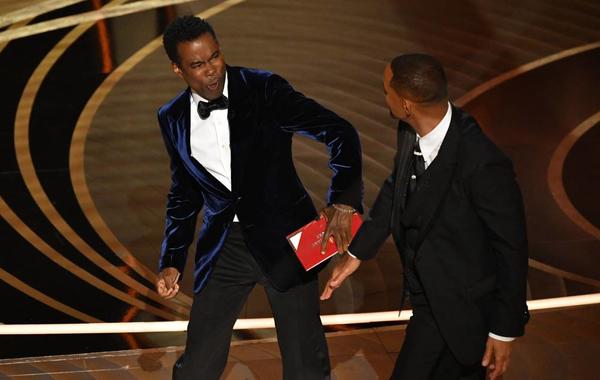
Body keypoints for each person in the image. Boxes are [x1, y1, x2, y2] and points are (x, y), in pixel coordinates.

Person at [154, 15, 363, 380]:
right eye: (198, 65)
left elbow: (339, 131)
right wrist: (172, 258)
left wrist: (344, 200)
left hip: (288, 241)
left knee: (304, 364)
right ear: (177, 68)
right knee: (198, 363)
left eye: (215, 57)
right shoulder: (172, 117)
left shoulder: (264, 88)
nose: (212, 71)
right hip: (224, 247)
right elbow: (184, 193)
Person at [321, 54, 529, 380]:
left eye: (386, 90)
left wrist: (504, 332)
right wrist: (358, 252)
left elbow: (512, 248)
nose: (383, 95)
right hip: (429, 301)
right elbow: (395, 187)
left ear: (406, 105)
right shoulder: (410, 129)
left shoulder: (483, 164)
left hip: (467, 311)